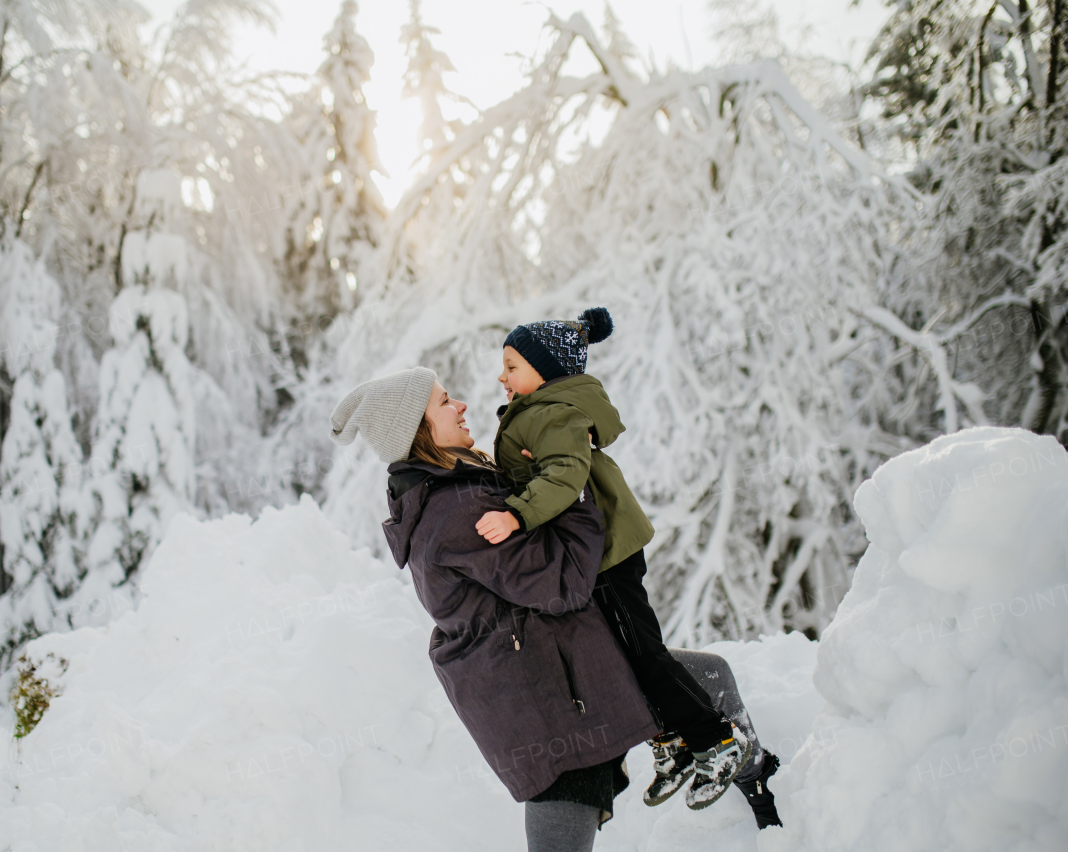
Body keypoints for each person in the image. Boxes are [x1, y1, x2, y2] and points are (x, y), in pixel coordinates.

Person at [329, 368, 780, 851]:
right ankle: (764, 797)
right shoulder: (455, 511)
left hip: (568, 672)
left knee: (709, 676)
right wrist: (576, 488)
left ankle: (762, 789)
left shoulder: (456, 488)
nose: (460, 405)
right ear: (418, 431)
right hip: (549, 703)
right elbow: (561, 581)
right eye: (443, 402)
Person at [478, 307, 776, 812]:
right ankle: (674, 743)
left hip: (607, 555)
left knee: (642, 653)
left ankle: (716, 738)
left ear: (544, 370)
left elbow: (565, 475)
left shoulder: (552, 414)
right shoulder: (544, 411)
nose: (501, 376)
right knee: (621, 656)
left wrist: (516, 516)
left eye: (511, 366)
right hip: (594, 555)